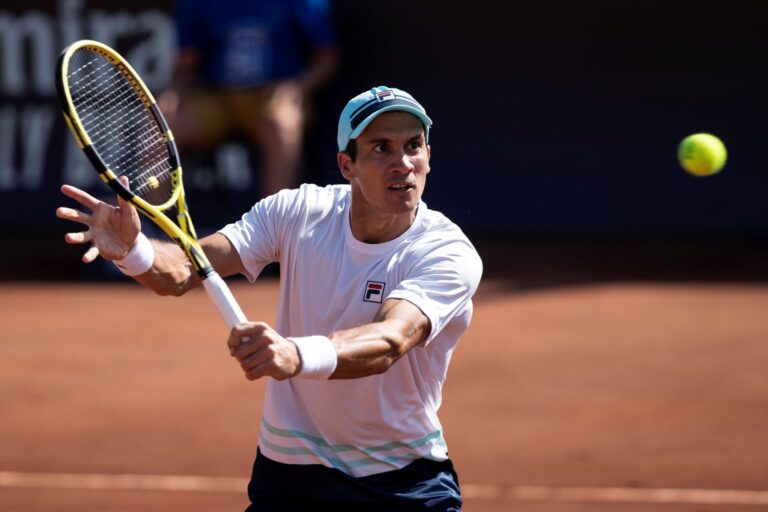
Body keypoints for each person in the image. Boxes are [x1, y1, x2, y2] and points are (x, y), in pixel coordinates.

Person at [57, 86, 482, 511]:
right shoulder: (297, 212)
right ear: (346, 165)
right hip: (292, 476)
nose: (402, 163)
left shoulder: (446, 251)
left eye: (413, 146)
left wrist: (293, 354)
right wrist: (135, 251)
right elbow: (186, 268)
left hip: (401, 484)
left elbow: (391, 340)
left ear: (429, 154)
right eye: (381, 148)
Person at [159, 0, 339, 196]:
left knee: (282, 122)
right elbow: (186, 63)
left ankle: (277, 221)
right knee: (163, 123)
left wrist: (296, 87)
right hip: (218, 97)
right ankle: (153, 221)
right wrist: (174, 93)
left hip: (272, 96)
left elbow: (326, 59)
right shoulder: (198, 4)